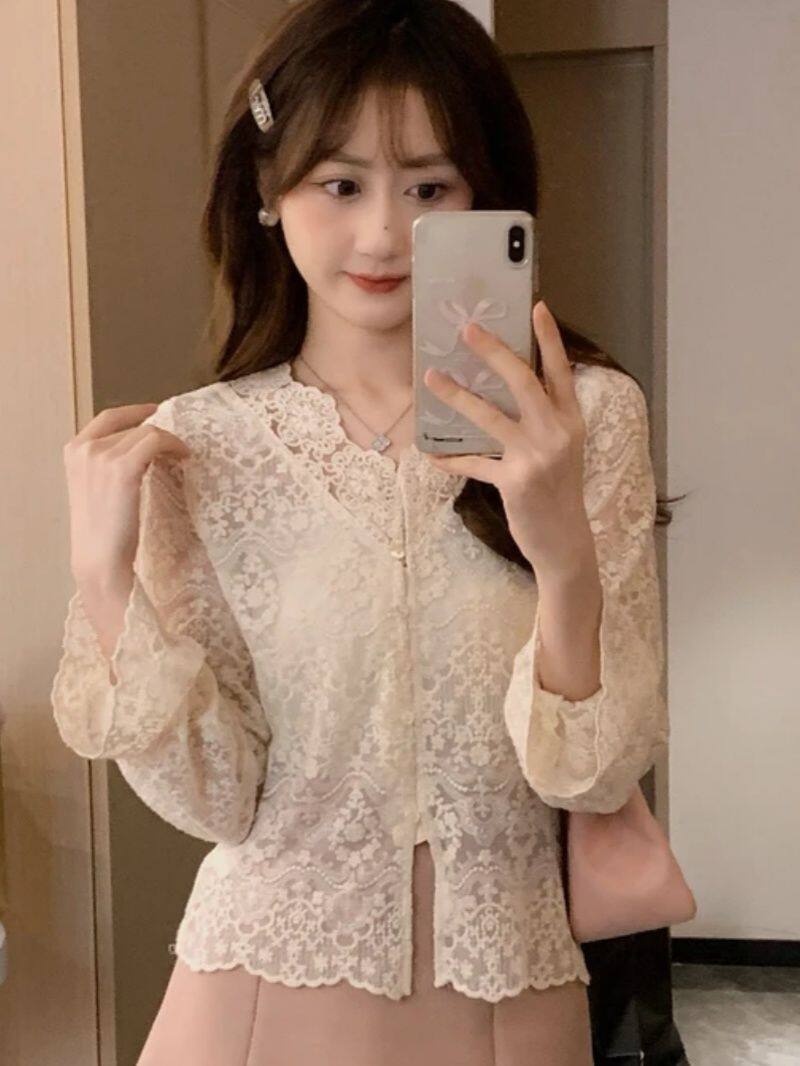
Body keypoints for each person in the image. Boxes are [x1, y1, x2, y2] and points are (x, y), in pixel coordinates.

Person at [50, 1, 685, 1063]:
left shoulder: (582, 418)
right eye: (340, 184)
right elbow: (218, 798)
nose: (385, 235)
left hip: (508, 992)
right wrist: (104, 579)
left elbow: (590, 776)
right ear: (267, 190)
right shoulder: (202, 446)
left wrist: (562, 554)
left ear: (486, 195)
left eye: (430, 187)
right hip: (251, 992)